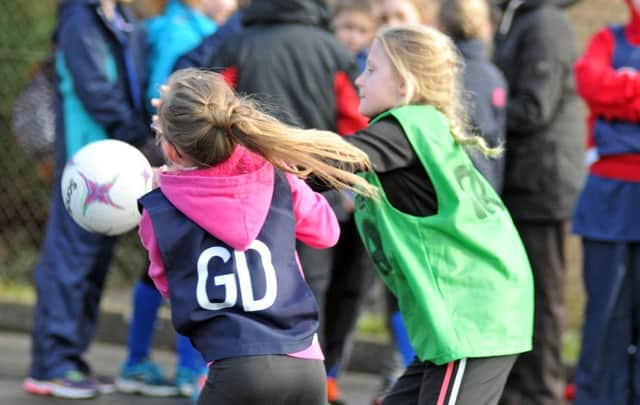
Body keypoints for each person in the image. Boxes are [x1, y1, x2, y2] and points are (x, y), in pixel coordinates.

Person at [139, 68, 375, 405]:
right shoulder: (275, 177)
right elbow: (327, 232)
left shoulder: (158, 208)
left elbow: (170, 286)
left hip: (237, 366)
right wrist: (268, 163)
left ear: (173, 151)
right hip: (307, 365)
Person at [345, 24, 534, 404]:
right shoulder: (423, 127)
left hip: (472, 316)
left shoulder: (402, 130)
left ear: (405, 85)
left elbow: (326, 160)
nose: (359, 79)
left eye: (372, 69)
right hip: (477, 310)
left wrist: (255, 142)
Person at [206, 1, 369, 403]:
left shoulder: (235, 45)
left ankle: (229, 372)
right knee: (310, 285)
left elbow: (213, 117)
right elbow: (354, 123)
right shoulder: (333, 51)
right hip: (312, 190)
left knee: (245, 283)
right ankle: (320, 378)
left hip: (243, 193)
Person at [22, 0, 155, 399]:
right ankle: (52, 365)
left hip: (113, 162)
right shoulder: (81, 15)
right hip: (86, 161)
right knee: (69, 263)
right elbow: (94, 86)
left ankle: (71, 360)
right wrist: (138, 136)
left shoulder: (119, 17)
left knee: (91, 264)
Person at [116, 0, 223, 399]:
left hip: (172, 153)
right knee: (185, 266)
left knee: (163, 264)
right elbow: (166, 97)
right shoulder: (184, 29)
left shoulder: (181, 25)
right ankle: (188, 370)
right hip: (179, 156)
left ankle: (140, 360)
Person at [491, 1, 585, 404]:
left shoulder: (545, 22)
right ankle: (517, 391)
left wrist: (475, 118)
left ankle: (542, 392)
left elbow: (534, 107)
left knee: (542, 298)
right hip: (520, 182)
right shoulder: (518, 18)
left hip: (541, 184)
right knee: (518, 294)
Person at [571, 1, 640, 403]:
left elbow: (606, 90)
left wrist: (622, 87)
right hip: (607, 198)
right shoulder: (606, 39)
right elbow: (589, 83)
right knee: (605, 314)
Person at [439, 0, 507, 192]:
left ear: (441, 26)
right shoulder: (494, 76)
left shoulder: (439, 72)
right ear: (485, 27)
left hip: (453, 185)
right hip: (486, 187)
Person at [332, 0, 382, 72]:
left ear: (373, 34)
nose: (353, 37)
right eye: (348, 27)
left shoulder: (369, 66)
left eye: (362, 31)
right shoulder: (324, 56)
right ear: (334, 22)